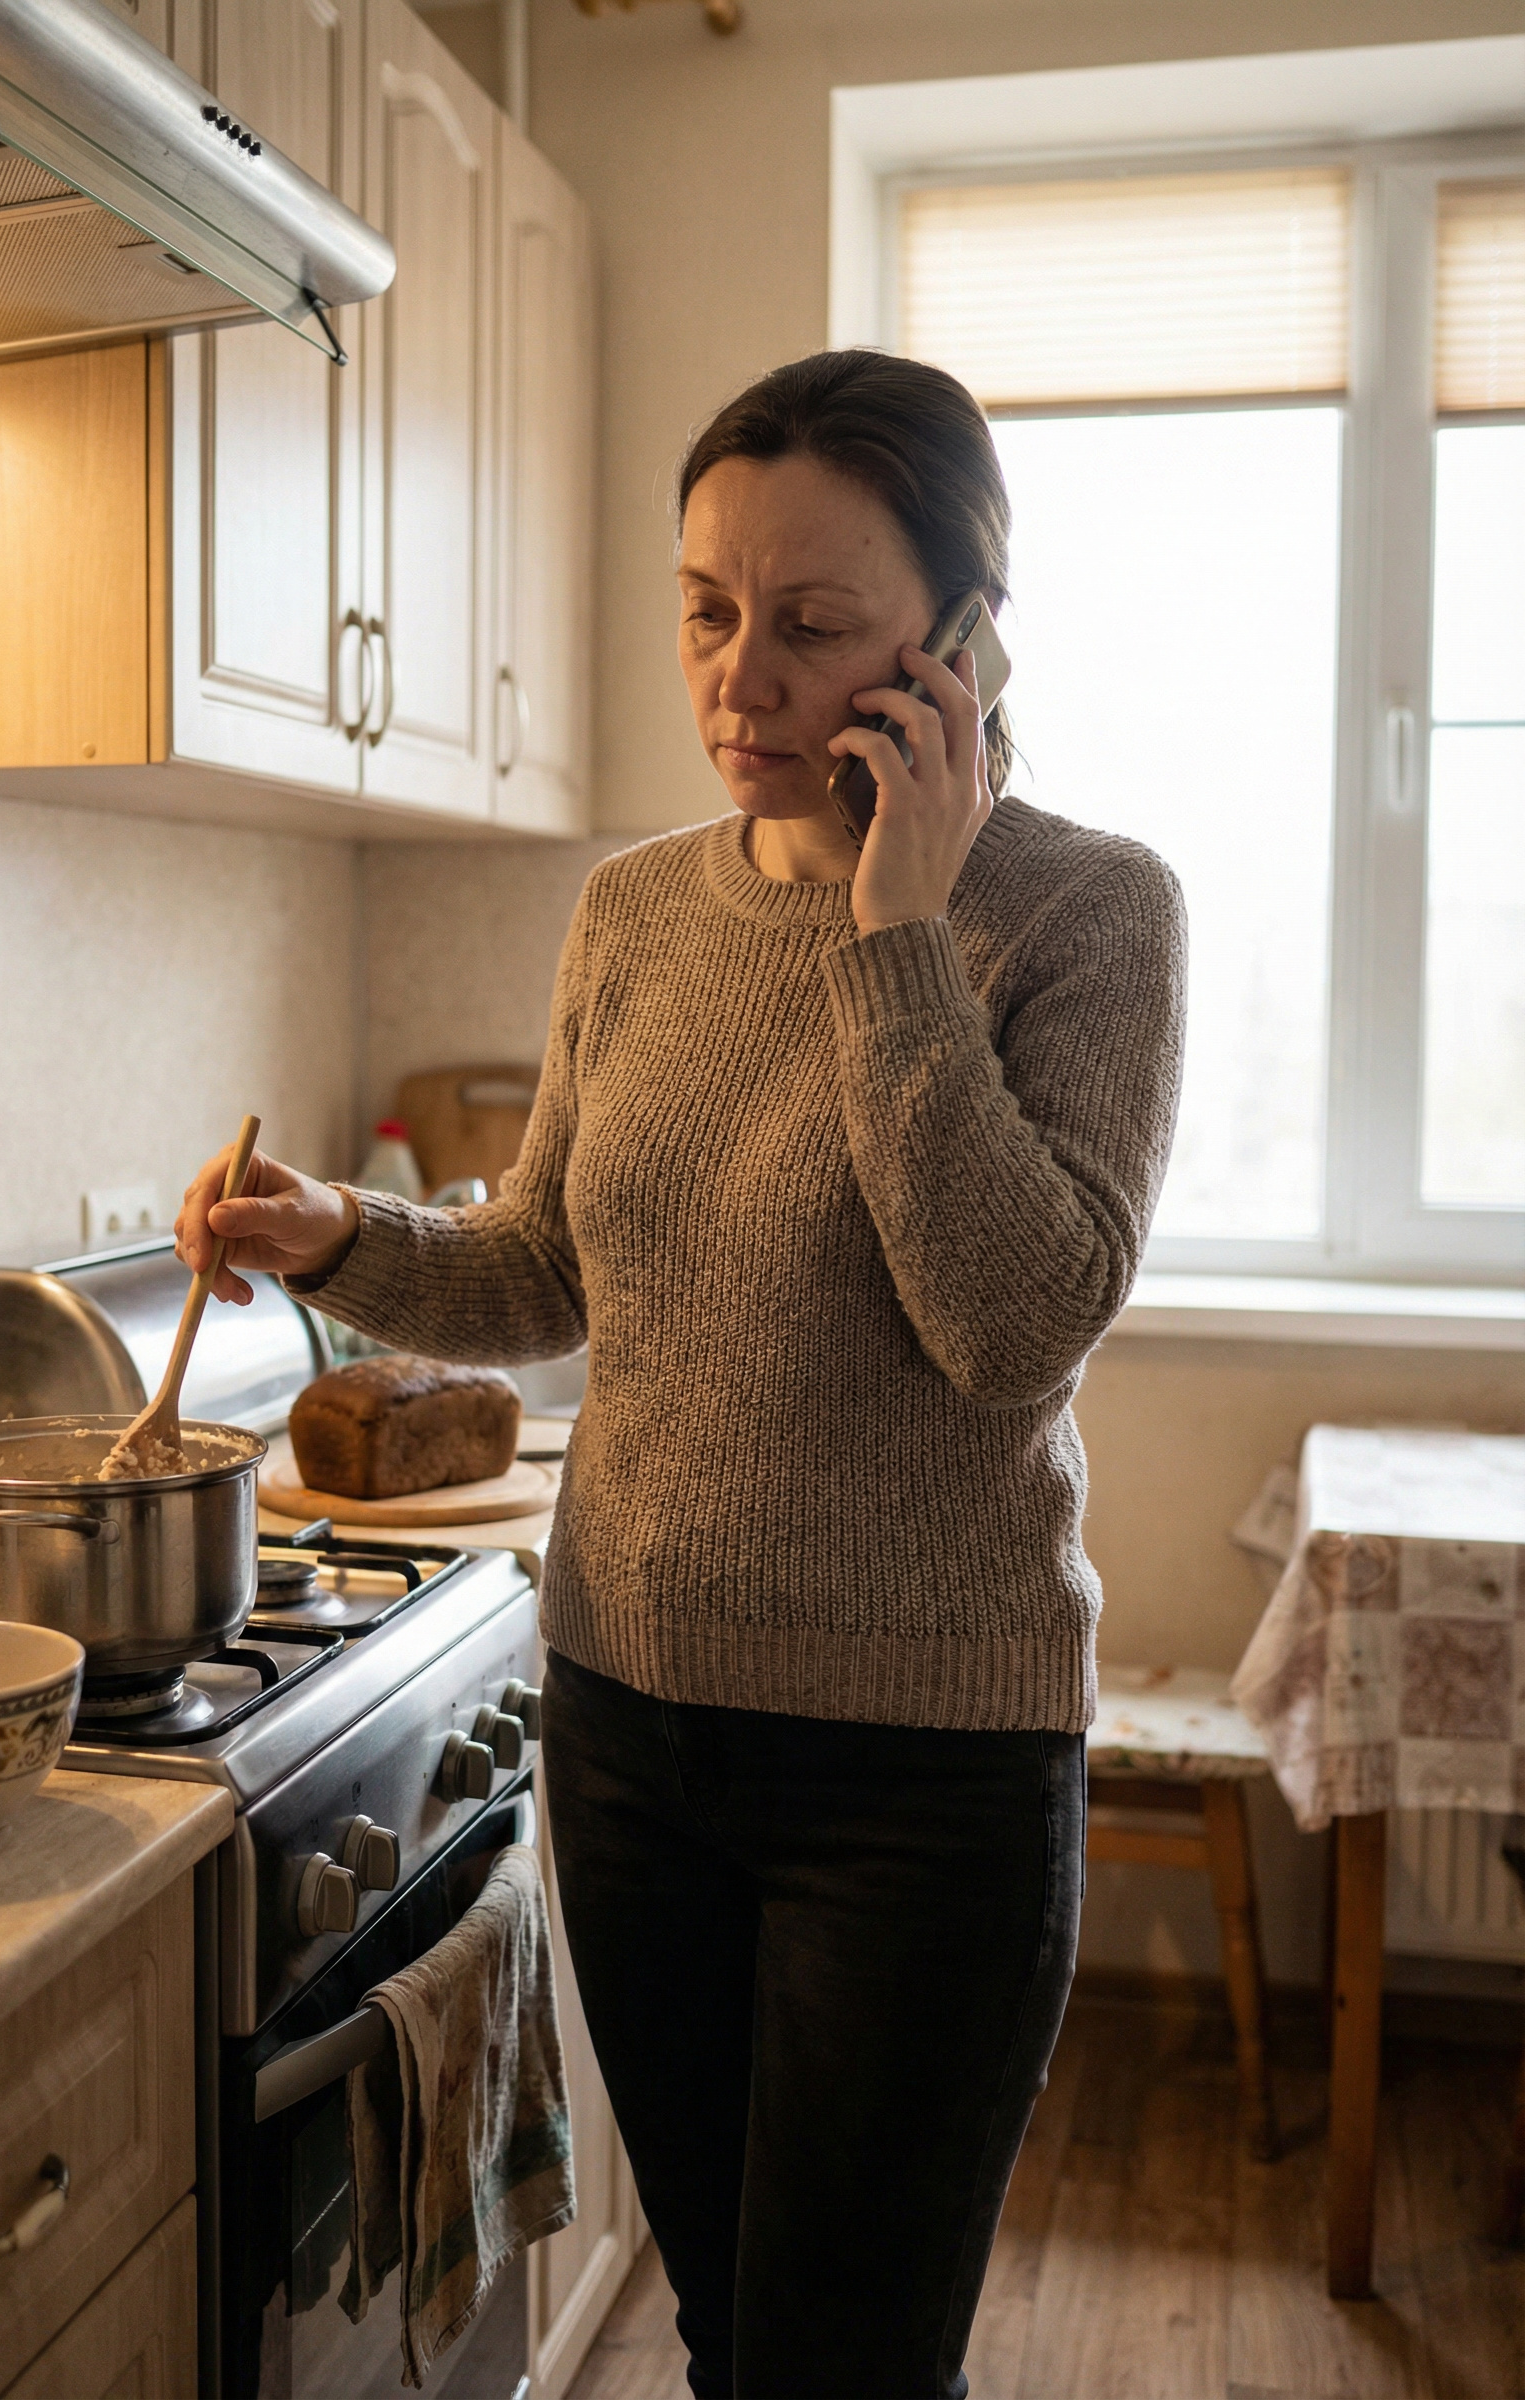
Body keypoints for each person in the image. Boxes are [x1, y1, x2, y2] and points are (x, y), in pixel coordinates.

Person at [177, 349, 1186, 2400]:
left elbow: (1007, 1325)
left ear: (961, 639)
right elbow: (549, 1268)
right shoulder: (631, 910)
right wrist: (340, 1242)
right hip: (634, 1727)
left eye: (811, 628)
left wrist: (892, 932)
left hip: (921, 1781)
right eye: (705, 611)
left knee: (844, 2364)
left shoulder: (1086, 914)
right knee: (738, 2334)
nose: (738, 680)